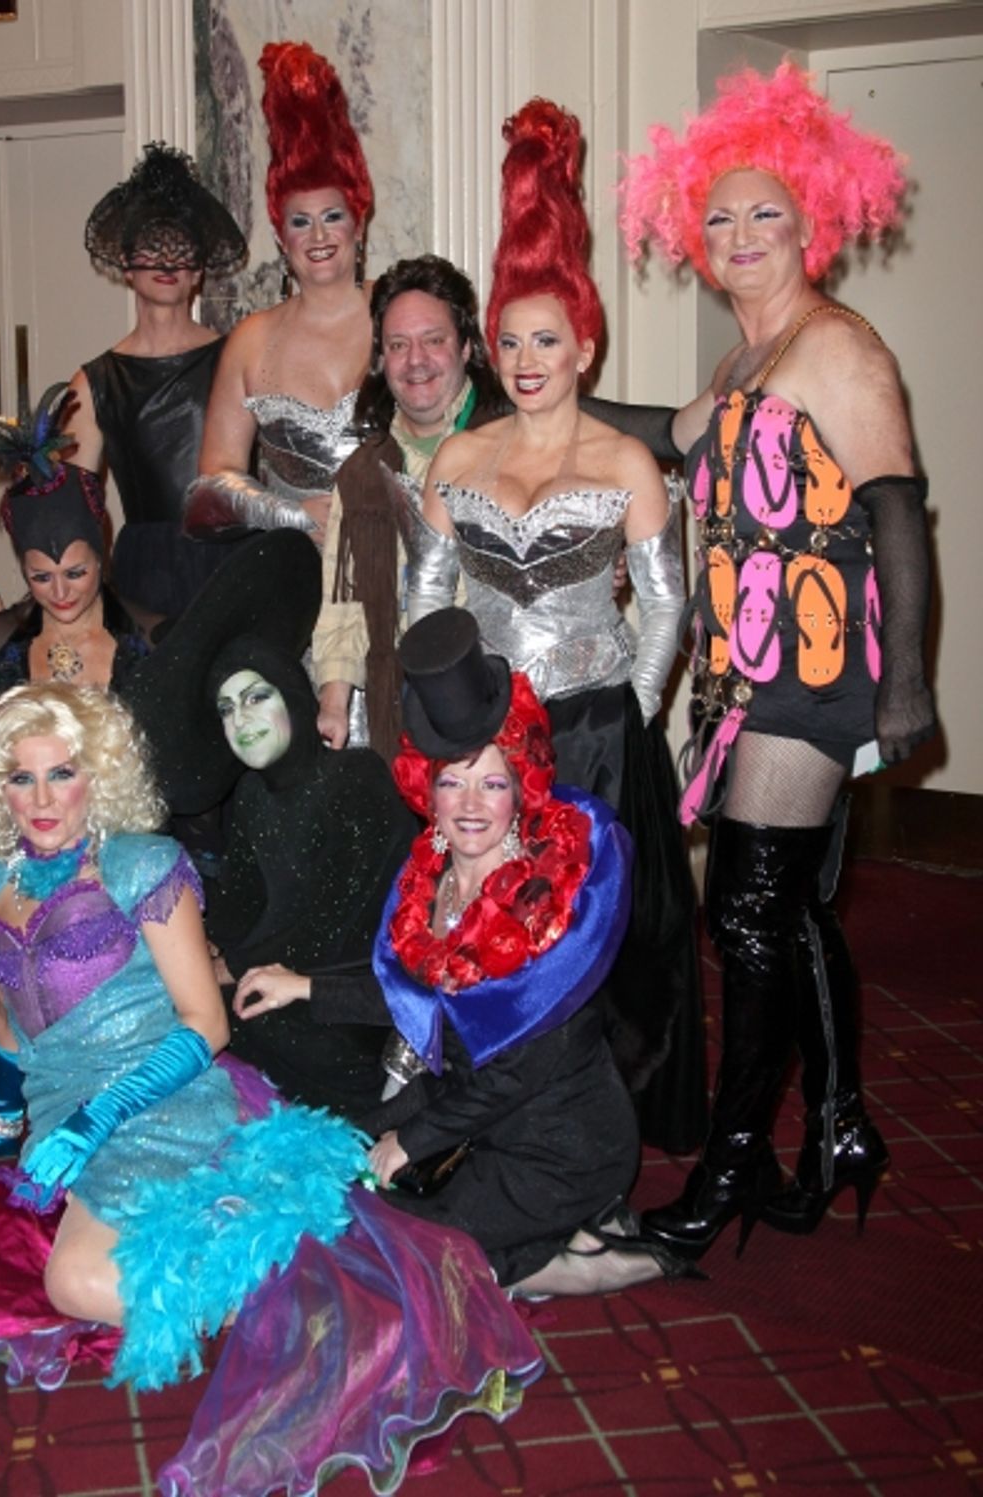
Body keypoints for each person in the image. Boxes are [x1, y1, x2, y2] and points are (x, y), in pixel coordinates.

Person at [0, 680, 542, 1495]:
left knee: (71, 1282)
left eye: (63, 773)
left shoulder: (144, 864)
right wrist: (5, 1115)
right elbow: (11, 1023)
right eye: (21, 778)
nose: (43, 799)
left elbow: (204, 1024)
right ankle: (263, 1241)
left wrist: (99, 1114)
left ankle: (302, 1290)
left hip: (158, 1100)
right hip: (62, 1118)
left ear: (97, 775)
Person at [613, 62, 935, 1257]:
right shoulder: (743, 362)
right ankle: (841, 1124)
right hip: (747, 677)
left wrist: (905, 682)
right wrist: (536, 402)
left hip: (813, 671)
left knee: (745, 910)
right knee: (779, 910)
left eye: (766, 214)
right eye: (719, 216)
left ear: (813, 222)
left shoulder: (839, 348)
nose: (741, 235)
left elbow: (898, 511)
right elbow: (670, 437)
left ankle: (736, 1165)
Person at [414, 100, 707, 1154]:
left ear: (586, 343)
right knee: (490, 926)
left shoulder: (628, 466)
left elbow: (667, 603)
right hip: (487, 740)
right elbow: (426, 601)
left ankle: (598, 1127)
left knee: (599, 946)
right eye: (509, 341)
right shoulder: (458, 459)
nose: (527, 358)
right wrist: (438, 727)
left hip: (590, 737)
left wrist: (625, 713)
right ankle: (486, 1111)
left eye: (547, 339)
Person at [366, 608, 698, 1295]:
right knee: (347, 1179)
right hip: (484, 1121)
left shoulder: (553, 899)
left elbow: (515, 1072)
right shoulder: (430, 873)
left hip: (562, 1147)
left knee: (408, 1249)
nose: (469, 804)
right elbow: (428, 1012)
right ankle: (563, 1234)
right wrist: (303, 989)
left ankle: (578, 1257)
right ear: (423, 788)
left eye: (491, 782)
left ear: (522, 786)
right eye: (451, 781)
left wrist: (413, 1137)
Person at [123, 530, 415, 1126]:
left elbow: (339, 925)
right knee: (173, 999)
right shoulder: (253, 792)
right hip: (283, 976)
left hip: (353, 995)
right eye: (227, 709)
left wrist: (234, 966)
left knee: (242, 1011)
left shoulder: (355, 777)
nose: (243, 720)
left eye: (256, 697)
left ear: (294, 698)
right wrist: (206, 948)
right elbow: (241, 897)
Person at [0, 389, 156, 1069]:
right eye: (39, 575)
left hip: (117, 855)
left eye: (76, 571)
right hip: (23, 851)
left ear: (102, 550)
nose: (60, 591)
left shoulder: (148, 639)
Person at [313, 253, 506, 758]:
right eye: (398, 345)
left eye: (434, 340)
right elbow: (342, 607)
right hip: (401, 717)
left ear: (466, 347)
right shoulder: (360, 475)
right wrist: (334, 706)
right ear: (381, 359)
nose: (415, 360)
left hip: (501, 707)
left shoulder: (513, 447)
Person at [185, 41, 373, 552]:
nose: (318, 236)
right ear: (280, 238)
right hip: (295, 574)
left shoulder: (402, 314)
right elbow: (212, 484)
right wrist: (288, 513)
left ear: (359, 225)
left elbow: (470, 434)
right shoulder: (252, 340)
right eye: (300, 221)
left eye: (333, 216)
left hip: (403, 570)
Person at [67, 142, 248, 618]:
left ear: (199, 270)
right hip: (146, 570)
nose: (166, 261)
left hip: (234, 559)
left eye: (180, 247)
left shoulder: (237, 357)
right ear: (127, 265)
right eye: (152, 245)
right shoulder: (94, 382)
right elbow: (72, 511)